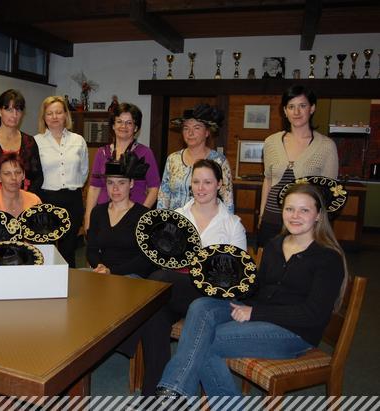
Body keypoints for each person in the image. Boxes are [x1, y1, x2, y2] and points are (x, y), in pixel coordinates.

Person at [155, 183, 347, 397]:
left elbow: (313, 314)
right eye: (289, 209)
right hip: (261, 316)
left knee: (204, 340)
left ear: (318, 215)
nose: (295, 216)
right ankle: (176, 391)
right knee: (202, 306)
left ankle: (175, 393)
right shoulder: (276, 245)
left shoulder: (327, 258)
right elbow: (258, 289)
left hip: (294, 332)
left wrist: (255, 313)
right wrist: (230, 282)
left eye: (304, 210)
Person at [128, 159, 246, 395]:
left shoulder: (232, 225)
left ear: (219, 185)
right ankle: (154, 398)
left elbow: (236, 276)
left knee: (156, 283)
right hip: (174, 294)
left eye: (207, 182)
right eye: (196, 182)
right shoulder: (175, 217)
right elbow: (160, 257)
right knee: (155, 314)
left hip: (210, 296)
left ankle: (127, 331)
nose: (201, 188)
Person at [258, 85, 338, 247]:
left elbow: (329, 191)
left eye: (302, 106)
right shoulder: (271, 142)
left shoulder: (326, 146)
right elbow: (268, 180)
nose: (296, 112)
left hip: (304, 223)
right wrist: (261, 214)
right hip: (271, 219)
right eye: (291, 107)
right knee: (268, 260)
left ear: (312, 108)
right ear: (285, 111)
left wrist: (320, 223)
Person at [84, 102, 160, 230]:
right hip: (105, 215)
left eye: (129, 123)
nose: (123, 126)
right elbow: (95, 187)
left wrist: (140, 214)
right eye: (119, 121)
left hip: (134, 218)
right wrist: (88, 217)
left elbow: (154, 188)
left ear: (135, 128)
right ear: (113, 125)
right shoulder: (102, 152)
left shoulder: (145, 153)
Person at [34, 96, 88, 267]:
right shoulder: (36, 141)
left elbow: (84, 171)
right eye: (49, 113)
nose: (54, 117)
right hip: (46, 200)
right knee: (47, 251)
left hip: (73, 200)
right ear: (44, 117)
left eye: (58, 112)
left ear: (66, 115)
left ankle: (70, 282)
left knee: (68, 250)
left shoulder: (78, 140)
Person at [86, 152, 155, 278]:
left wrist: (112, 271)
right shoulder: (98, 212)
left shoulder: (144, 215)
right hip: (103, 272)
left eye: (121, 183)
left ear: (131, 183)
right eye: (110, 183)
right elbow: (91, 249)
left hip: (131, 274)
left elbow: (145, 259)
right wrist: (99, 265)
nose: (115, 188)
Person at [157, 103, 234, 213]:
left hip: (206, 220)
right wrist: (160, 220)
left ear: (207, 132)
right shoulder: (173, 159)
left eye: (196, 128)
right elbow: (164, 195)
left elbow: (227, 200)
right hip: (174, 221)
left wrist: (227, 222)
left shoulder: (219, 161)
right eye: (186, 128)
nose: (190, 133)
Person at [0, 152, 41, 217]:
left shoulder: (34, 201)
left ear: (24, 175)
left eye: (18, 172)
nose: (14, 178)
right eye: (7, 173)